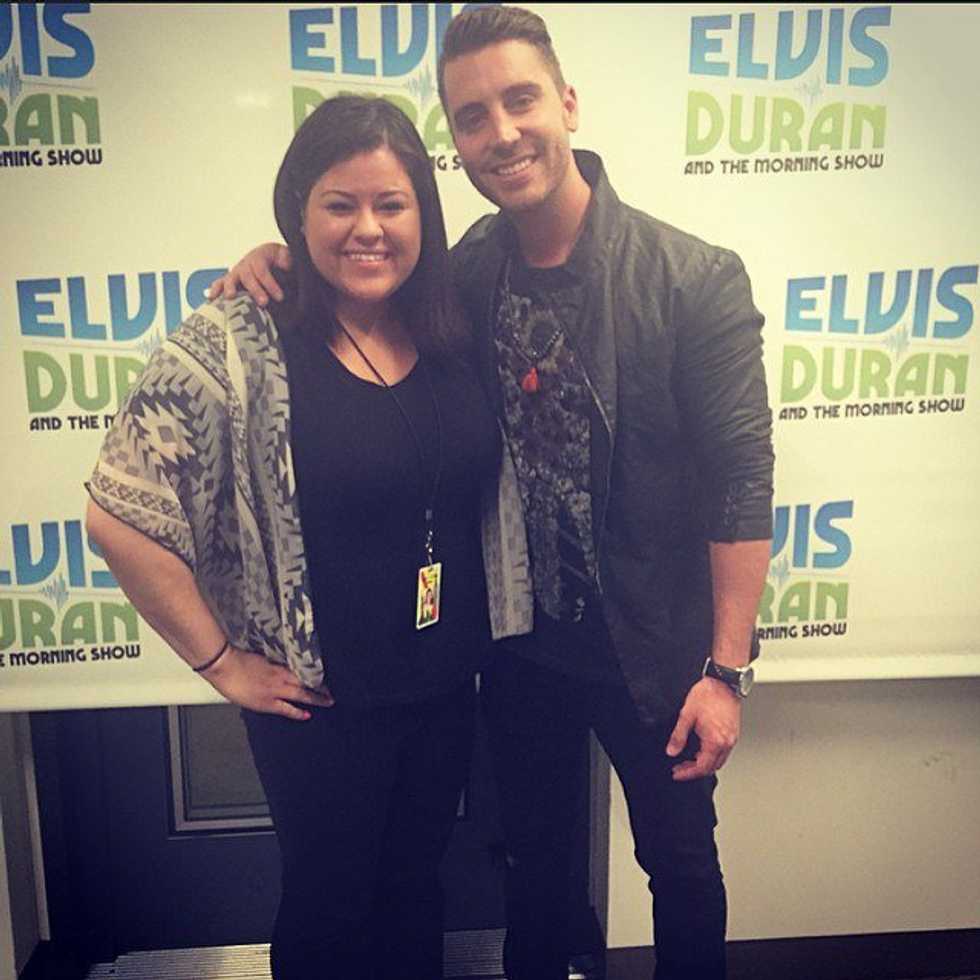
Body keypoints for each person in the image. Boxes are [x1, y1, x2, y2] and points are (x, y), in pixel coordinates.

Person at [210, 7, 775, 979]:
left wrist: (724, 672)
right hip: (516, 650)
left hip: (656, 650)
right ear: (457, 142)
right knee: (533, 873)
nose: (501, 132)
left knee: (680, 867)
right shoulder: (466, 270)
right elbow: (362, 268)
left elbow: (740, 481)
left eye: (520, 100)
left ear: (567, 104)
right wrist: (278, 260)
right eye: (473, 117)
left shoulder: (691, 279)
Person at [86, 95, 503, 980]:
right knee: (330, 908)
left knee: (415, 892)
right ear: (297, 214)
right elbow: (119, 512)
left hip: (442, 684)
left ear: (423, 215)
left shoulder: (451, 321)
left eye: (391, 204)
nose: (368, 229)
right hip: (317, 705)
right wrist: (221, 663)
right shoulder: (239, 339)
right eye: (339, 205)